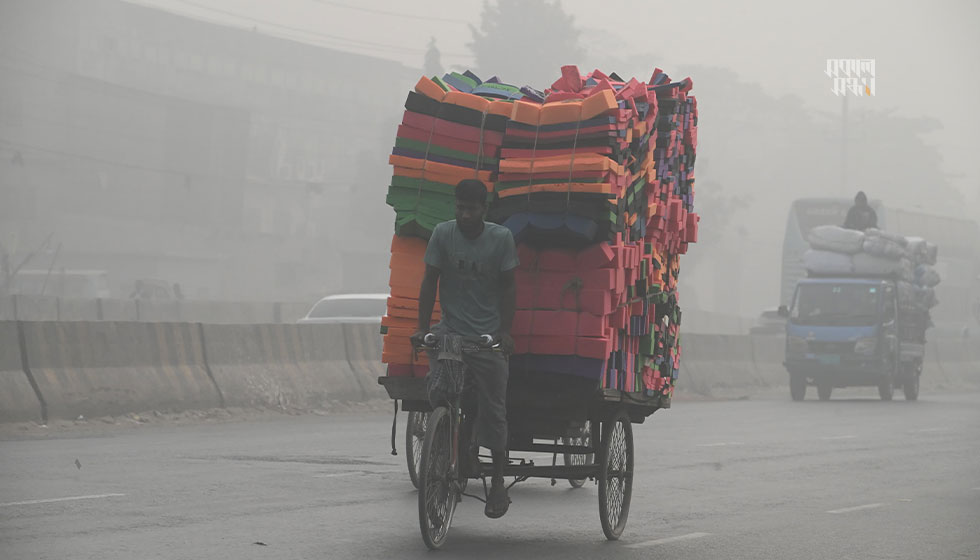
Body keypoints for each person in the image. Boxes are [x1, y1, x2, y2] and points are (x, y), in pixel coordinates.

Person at [410, 179, 518, 519]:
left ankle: (498, 481)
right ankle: (446, 447)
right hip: (451, 333)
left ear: (483, 210)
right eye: (459, 207)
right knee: (439, 392)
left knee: (494, 408)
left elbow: (509, 287)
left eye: (471, 209)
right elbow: (430, 280)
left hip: (486, 338)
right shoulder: (443, 234)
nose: (464, 214)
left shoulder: (500, 239)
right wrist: (422, 328)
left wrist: (504, 332)